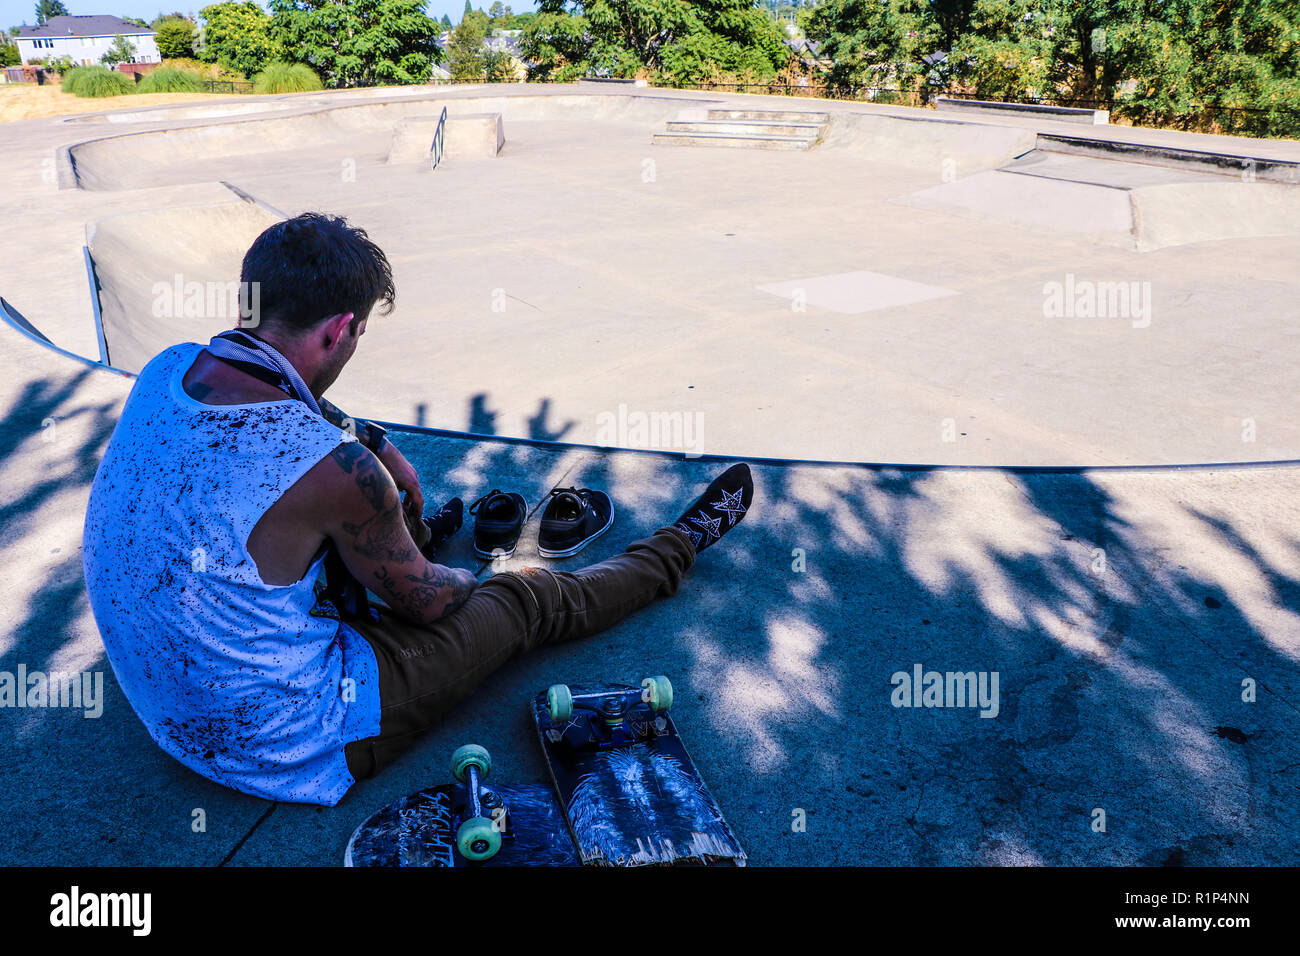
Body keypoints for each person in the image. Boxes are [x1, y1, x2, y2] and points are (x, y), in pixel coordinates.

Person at [81, 212, 754, 806]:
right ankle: (679, 547)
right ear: (342, 328)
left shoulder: (170, 367)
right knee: (524, 601)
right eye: (357, 335)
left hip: (165, 707)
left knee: (373, 547)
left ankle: (408, 548)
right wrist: (471, 579)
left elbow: (286, 393)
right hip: (284, 741)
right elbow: (428, 607)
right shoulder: (329, 469)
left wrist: (374, 441)